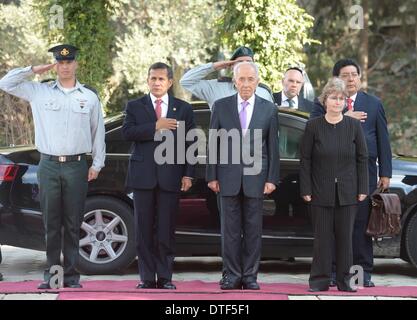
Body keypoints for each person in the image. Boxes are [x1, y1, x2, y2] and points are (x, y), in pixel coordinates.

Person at [0, 44, 106, 289]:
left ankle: (70, 276)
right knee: (51, 223)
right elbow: (6, 83)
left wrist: (97, 164)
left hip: (76, 165)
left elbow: (97, 131)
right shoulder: (40, 91)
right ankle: (53, 276)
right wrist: (34, 69)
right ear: (55, 64)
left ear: (76, 64)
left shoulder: (88, 96)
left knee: (72, 223)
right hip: (48, 165)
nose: (65, 66)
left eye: (69, 62)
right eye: (60, 62)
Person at [310, 59, 392, 287]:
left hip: (363, 173)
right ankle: (335, 273)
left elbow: (383, 140)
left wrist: (385, 172)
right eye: (345, 75)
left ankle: (362, 272)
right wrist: (345, 117)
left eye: (354, 74)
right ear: (336, 79)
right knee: (337, 226)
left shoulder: (373, 104)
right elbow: (314, 131)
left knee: (360, 226)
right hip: (334, 176)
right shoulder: (322, 104)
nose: (351, 79)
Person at [206, 61, 279, 290]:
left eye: (250, 79)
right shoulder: (221, 106)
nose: (246, 84)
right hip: (226, 178)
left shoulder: (268, 108)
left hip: (257, 179)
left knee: (253, 230)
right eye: (241, 79)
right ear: (234, 82)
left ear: (257, 81)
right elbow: (213, 145)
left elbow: (273, 148)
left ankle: (249, 276)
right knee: (229, 231)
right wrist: (211, 176)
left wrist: (271, 178)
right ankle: (231, 275)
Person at [122, 62, 195, 290]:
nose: (156, 82)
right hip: (142, 177)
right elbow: (127, 132)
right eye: (153, 78)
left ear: (170, 82)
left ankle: (165, 277)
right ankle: (146, 278)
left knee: (166, 229)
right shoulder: (135, 106)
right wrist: (156, 126)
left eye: (161, 79)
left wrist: (188, 175)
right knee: (143, 230)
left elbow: (189, 143)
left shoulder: (183, 108)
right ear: (147, 80)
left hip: (171, 177)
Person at [300, 77, 369, 292]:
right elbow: (305, 159)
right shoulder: (313, 126)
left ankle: (346, 282)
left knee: (345, 239)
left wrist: (363, 188)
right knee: (322, 240)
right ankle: (319, 281)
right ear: (324, 100)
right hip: (320, 192)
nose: (337, 102)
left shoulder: (353, 125)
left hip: (348, 193)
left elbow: (362, 157)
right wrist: (306, 189)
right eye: (333, 98)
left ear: (345, 102)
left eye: (341, 98)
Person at [180, 46, 274, 109]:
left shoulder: (264, 92)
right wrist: (214, 66)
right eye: (240, 62)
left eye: (249, 62)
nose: (245, 65)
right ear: (232, 66)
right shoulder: (215, 88)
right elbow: (186, 81)